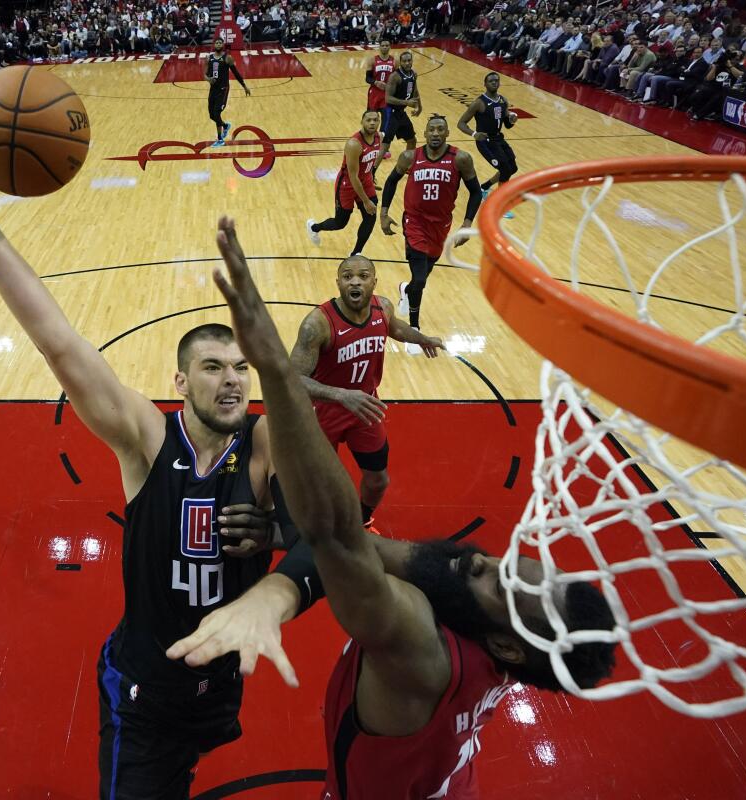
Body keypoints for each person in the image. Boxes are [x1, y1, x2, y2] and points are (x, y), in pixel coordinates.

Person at [172, 217, 619, 800]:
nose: (481, 561)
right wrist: (285, 537)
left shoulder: (419, 648)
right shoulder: (500, 640)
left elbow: (337, 536)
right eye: (509, 561)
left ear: (508, 643)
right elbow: (360, 545)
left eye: (500, 582)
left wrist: (276, 375)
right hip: (450, 784)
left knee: (369, 485)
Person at [0, 108, 318, 800]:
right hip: (144, 695)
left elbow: (325, 542)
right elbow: (61, 343)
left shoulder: (266, 444)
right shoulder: (148, 439)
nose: (232, 378)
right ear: (180, 383)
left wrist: (275, 587)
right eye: (212, 367)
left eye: (239, 366)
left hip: (219, 689)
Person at [289, 254, 446, 530]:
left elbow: (394, 328)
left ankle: (360, 520)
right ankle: (316, 533)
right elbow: (292, 379)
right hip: (322, 411)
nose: (355, 282)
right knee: (321, 483)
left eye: (363, 276)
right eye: (348, 276)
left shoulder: (382, 307)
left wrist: (421, 339)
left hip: (365, 407)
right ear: (338, 282)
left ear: (374, 281)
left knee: (378, 480)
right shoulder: (317, 324)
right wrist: (341, 395)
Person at [379, 115, 481, 346]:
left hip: (441, 226)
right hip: (414, 223)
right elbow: (391, 182)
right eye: (431, 130)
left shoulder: (461, 159)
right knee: (421, 278)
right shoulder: (410, 157)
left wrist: (466, 224)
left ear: (446, 133)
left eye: (440, 130)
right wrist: (384, 214)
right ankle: (414, 328)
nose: (435, 134)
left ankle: (407, 290)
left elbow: (475, 192)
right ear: (424, 134)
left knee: (421, 278)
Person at [306, 109, 382, 256]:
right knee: (340, 223)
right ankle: (314, 227)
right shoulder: (354, 144)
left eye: (375, 120)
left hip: (365, 182)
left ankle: (356, 253)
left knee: (370, 217)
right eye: (368, 120)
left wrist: (371, 177)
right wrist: (366, 201)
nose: (372, 123)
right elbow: (353, 176)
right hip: (347, 185)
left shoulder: (379, 137)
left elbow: (374, 157)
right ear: (362, 122)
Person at [456, 72, 518, 210]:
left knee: (513, 168)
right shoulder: (479, 103)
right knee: (505, 169)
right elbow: (461, 123)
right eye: (491, 81)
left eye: (496, 80)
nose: (494, 82)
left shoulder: (503, 100)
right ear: (485, 84)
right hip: (485, 141)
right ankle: (500, 204)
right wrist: (474, 134)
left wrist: (512, 120)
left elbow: (507, 124)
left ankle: (484, 187)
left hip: (498, 138)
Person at [373, 50, 422, 178]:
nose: (407, 63)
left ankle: (407, 166)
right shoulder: (395, 76)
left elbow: (415, 91)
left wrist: (419, 106)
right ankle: (370, 175)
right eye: (404, 61)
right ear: (400, 62)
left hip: (401, 113)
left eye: (409, 60)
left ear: (412, 61)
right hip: (391, 113)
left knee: (412, 140)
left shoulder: (413, 74)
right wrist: (407, 102)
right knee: (385, 146)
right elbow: (388, 99)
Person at [204, 38, 250, 147]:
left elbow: (236, 73)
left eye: (220, 42)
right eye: (217, 42)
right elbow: (204, 74)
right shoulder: (208, 58)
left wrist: (244, 86)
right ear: (214, 44)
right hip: (213, 89)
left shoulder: (227, 58)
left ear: (223, 45)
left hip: (223, 89)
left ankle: (220, 139)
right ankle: (225, 126)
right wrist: (208, 79)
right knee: (211, 115)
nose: (218, 44)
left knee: (216, 113)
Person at [365, 38, 395, 138]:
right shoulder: (373, 60)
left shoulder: (394, 61)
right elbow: (367, 78)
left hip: (387, 94)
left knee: (386, 118)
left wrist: (390, 86)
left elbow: (397, 79)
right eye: (383, 45)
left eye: (387, 45)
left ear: (390, 47)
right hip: (374, 93)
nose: (385, 47)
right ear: (379, 47)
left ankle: (382, 141)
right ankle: (369, 138)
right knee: (371, 117)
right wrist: (375, 82)